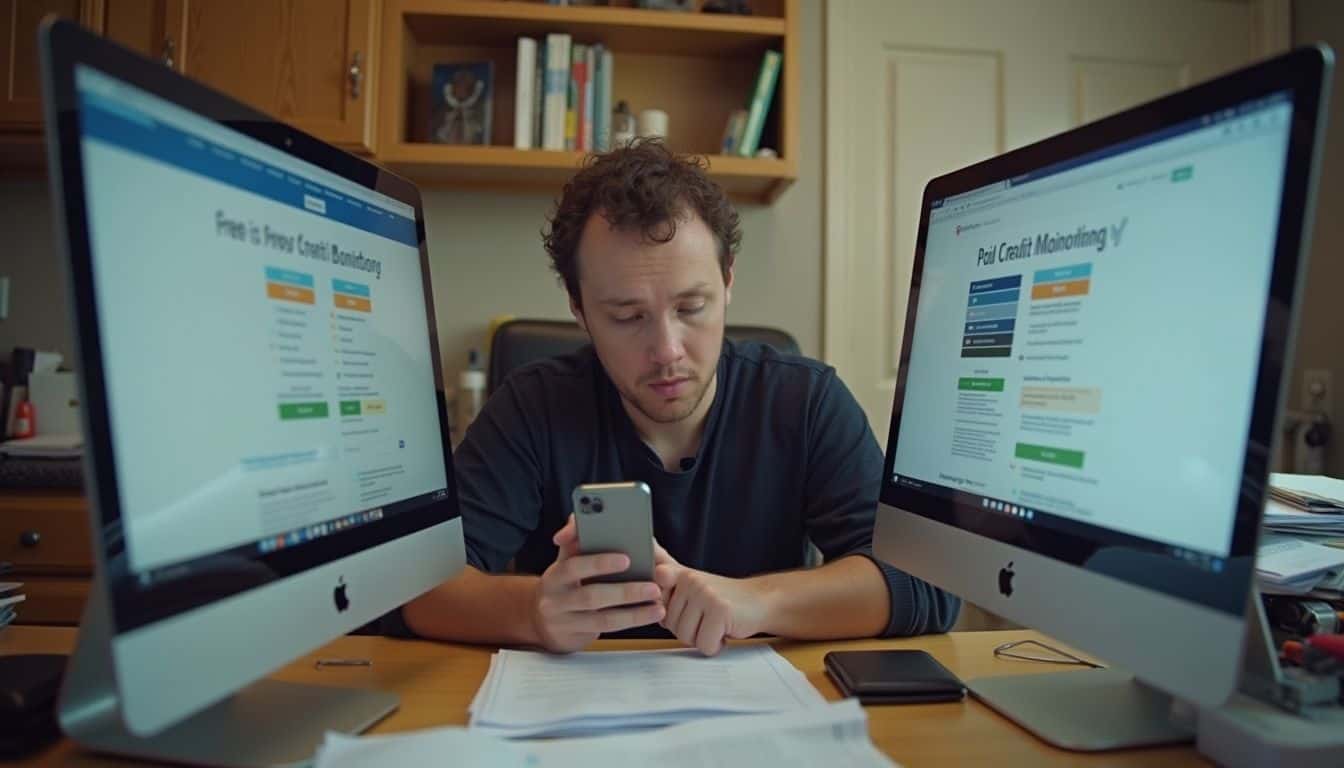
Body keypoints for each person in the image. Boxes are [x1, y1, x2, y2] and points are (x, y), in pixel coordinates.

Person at [400, 139, 959, 655]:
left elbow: (926, 583)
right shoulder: (533, 407)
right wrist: (532, 611)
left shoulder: (805, 401)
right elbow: (417, 588)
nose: (667, 351)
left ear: (728, 281)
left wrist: (756, 602)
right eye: (628, 317)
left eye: (692, 307)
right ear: (579, 308)